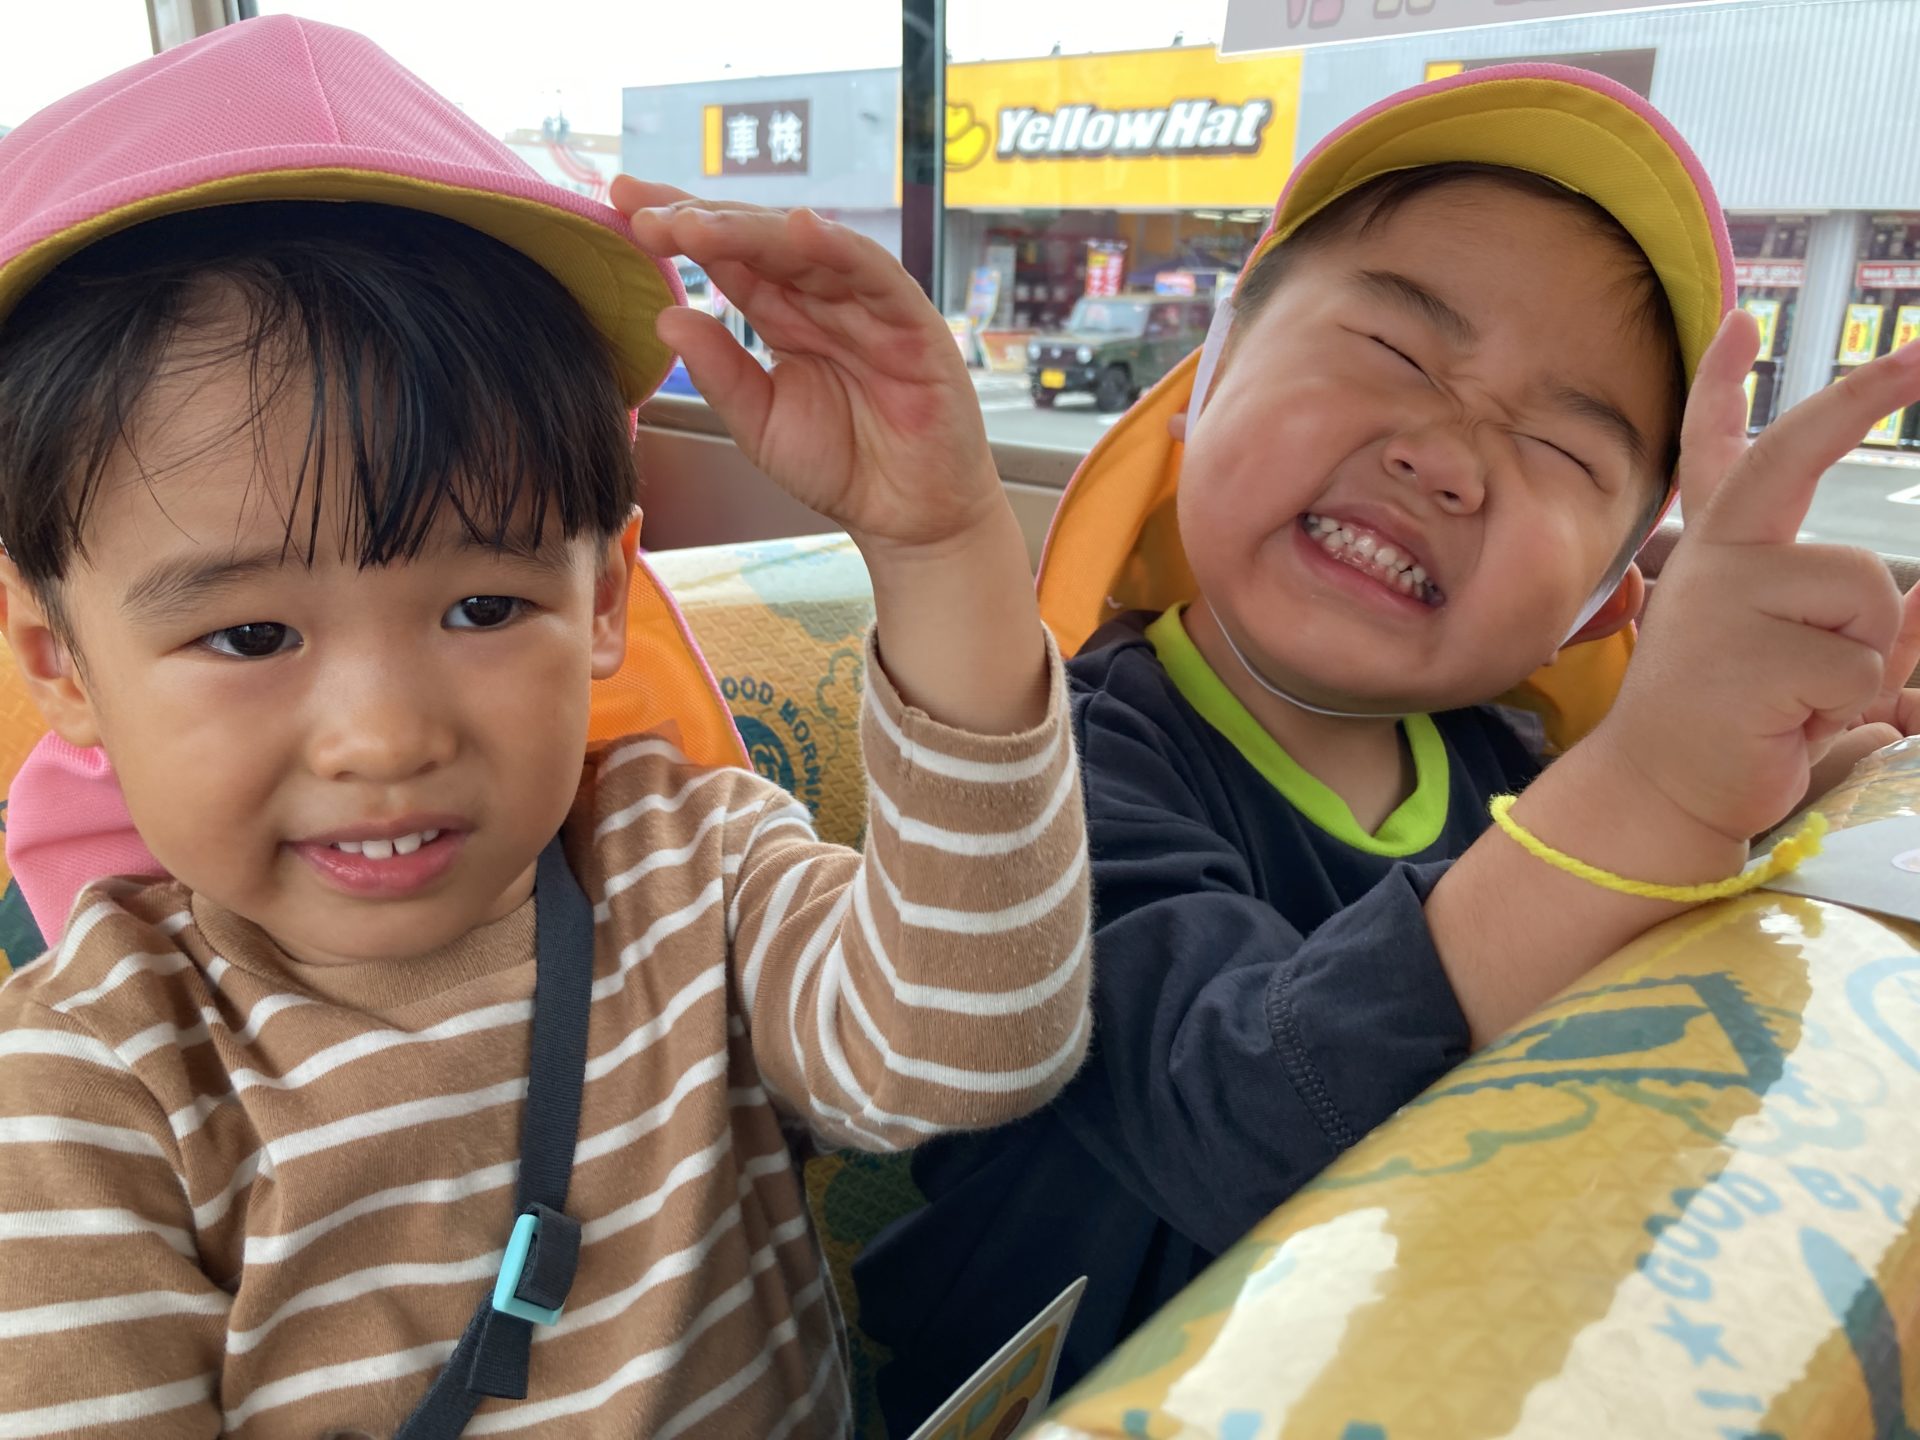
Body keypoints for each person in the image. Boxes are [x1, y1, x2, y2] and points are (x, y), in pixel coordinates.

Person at [0, 17, 1090, 1439]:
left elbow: (968, 1047)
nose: (384, 738)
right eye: (251, 636)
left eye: (483, 607)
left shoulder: (685, 869)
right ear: (61, 665)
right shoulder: (85, 1095)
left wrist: (942, 549)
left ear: (604, 601)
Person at [857, 64, 1920, 1429]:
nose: (1451, 457)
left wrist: (1796, 775)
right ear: (1208, 380)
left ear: (1598, 599)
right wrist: (1656, 786)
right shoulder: (1043, 774)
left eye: (1560, 448)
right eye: (1396, 353)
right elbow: (1241, 1112)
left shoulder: (1514, 771)